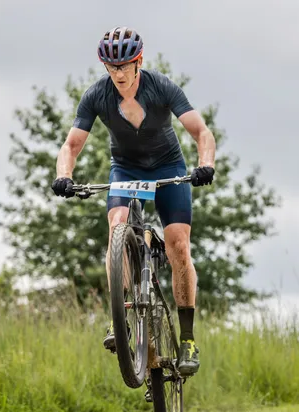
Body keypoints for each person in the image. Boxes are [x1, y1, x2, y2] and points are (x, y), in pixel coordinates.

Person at [51, 26, 216, 376]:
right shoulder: (97, 95)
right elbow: (71, 145)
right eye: (112, 67)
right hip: (125, 170)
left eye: (125, 65)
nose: (119, 74)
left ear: (138, 61)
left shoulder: (161, 87)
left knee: (178, 245)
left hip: (168, 168)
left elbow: (202, 133)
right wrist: (64, 175)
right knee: (118, 227)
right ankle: (120, 318)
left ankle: (187, 338)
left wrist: (206, 165)